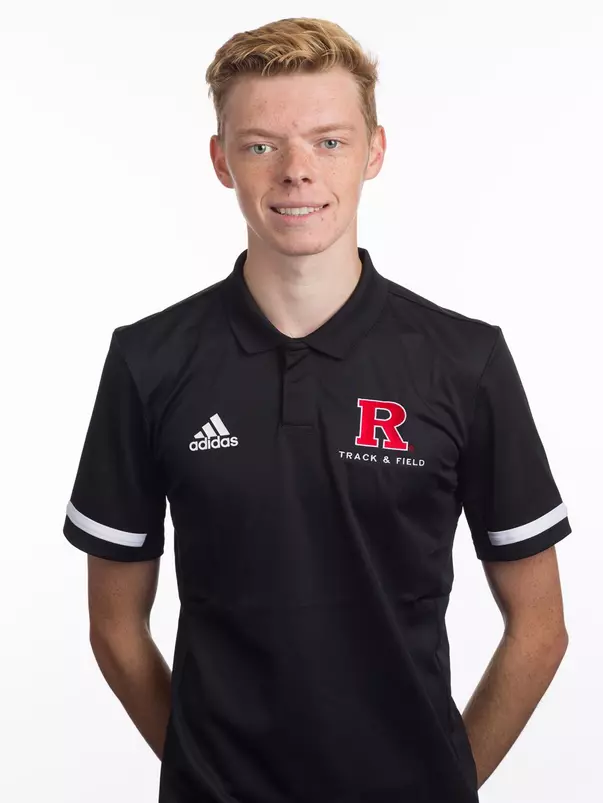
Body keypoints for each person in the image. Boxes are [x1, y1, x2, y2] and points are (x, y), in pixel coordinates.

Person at [63, 16, 572, 803]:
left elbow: (540, 627)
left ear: (373, 150)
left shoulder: (463, 361)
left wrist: (443, 780)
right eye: (261, 143)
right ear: (221, 160)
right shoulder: (149, 360)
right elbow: (114, 627)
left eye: (329, 141)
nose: (296, 171)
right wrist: (203, 777)